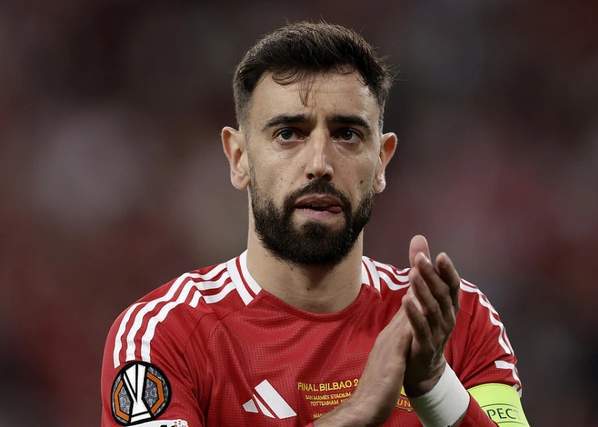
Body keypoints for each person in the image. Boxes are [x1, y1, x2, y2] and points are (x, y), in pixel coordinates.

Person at [101, 22, 530, 427]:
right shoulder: (165, 334)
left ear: (381, 162)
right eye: (289, 133)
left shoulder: (449, 320)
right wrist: (355, 413)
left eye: (347, 134)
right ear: (239, 157)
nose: (320, 163)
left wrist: (434, 385)